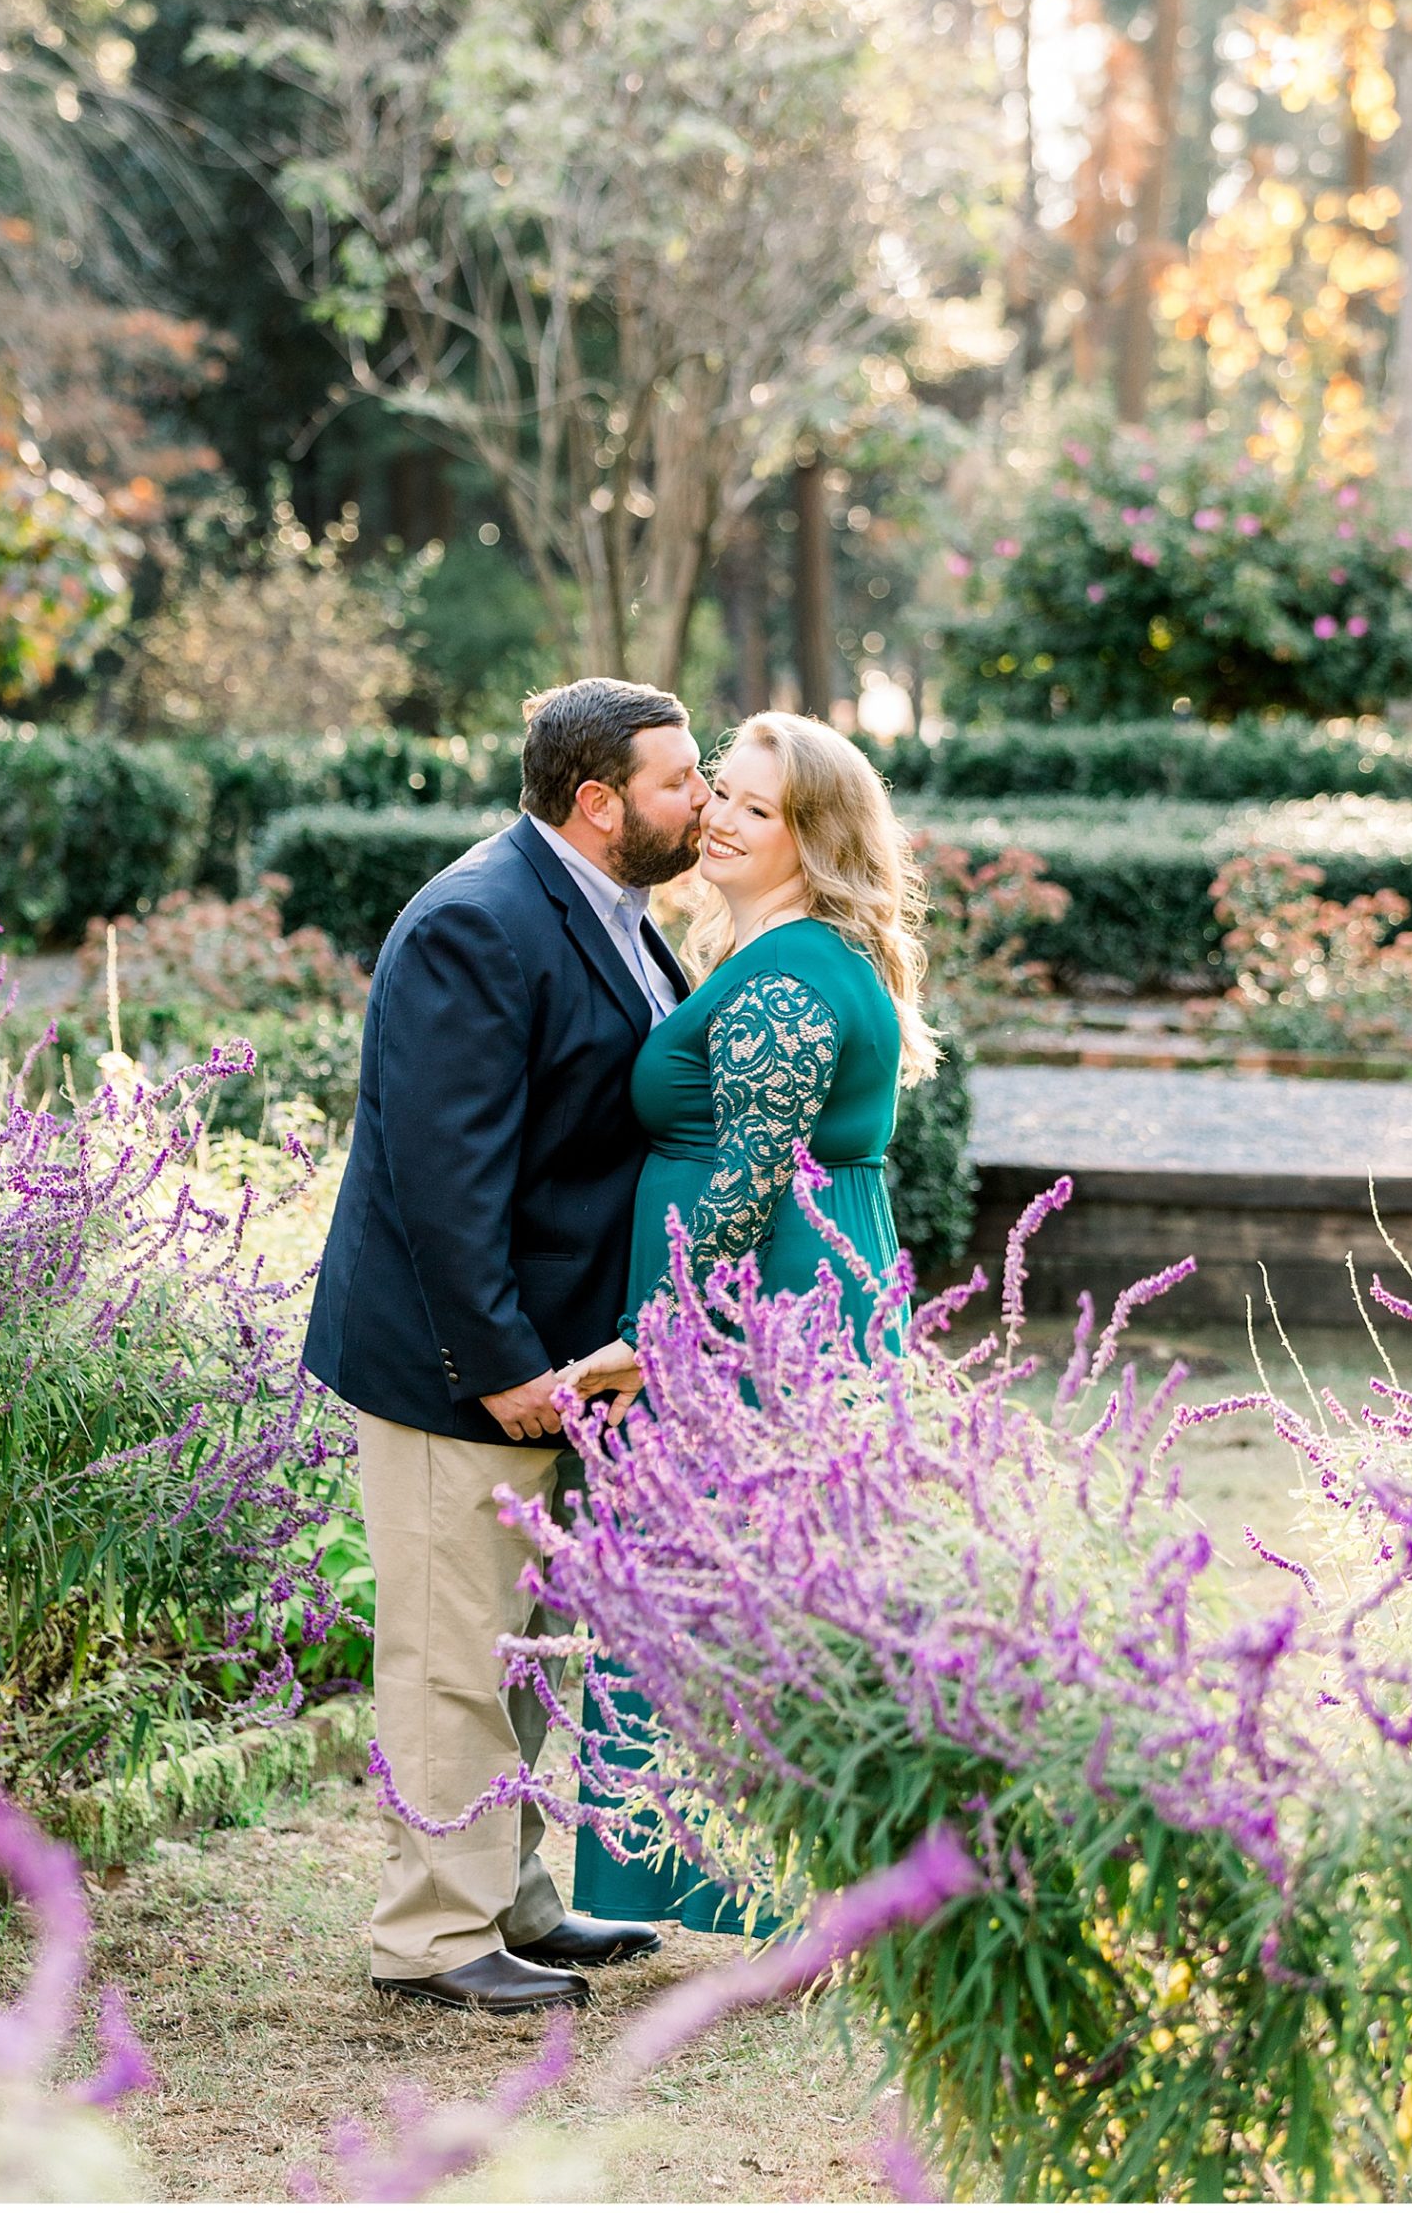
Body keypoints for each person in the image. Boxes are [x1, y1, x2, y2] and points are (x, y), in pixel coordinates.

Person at [302, 676, 710, 2012]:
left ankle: (512, 1898)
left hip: (558, 1358)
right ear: (598, 805)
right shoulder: (475, 926)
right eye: (677, 781)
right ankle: (431, 1938)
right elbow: (440, 1179)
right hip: (455, 1366)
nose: (699, 799)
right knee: (452, 1650)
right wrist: (499, 1368)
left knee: (523, 1648)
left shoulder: (621, 918)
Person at [555, 711, 940, 1930]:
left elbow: (750, 1171)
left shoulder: (788, 970)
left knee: (740, 1599)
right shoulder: (794, 952)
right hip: (767, 1304)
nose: (718, 815)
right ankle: (772, 1883)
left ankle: (782, 1892)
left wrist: (650, 1334)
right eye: (717, 790)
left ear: (815, 838)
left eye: (755, 807)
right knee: (752, 1596)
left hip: (746, 1320)